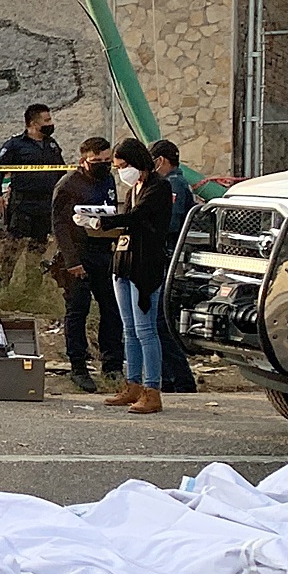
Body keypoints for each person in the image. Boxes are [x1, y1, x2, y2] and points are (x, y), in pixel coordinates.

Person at [93, 138, 174, 415]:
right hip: (124, 263)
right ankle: (134, 384)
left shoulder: (159, 188)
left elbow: (138, 218)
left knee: (146, 330)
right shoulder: (133, 189)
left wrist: (105, 221)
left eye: (124, 166)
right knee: (129, 330)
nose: (120, 172)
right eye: (117, 167)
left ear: (138, 161)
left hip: (145, 266)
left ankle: (153, 389)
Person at [50, 137, 125, 394]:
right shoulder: (68, 184)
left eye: (107, 161)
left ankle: (112, 365)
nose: (104, 166)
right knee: (78, 311)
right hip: (78, 256)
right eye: (98, 162)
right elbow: (59, 225)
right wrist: (72, 261)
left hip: (104, 253)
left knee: (111, 310)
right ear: (84, 160)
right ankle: (78, 366)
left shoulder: (107, 180)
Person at [0, 103, 64, 287]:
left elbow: (61, 171)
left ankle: (32, 289)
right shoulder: (15, 145)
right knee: (13, 247)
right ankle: (1, 286)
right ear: (33, 123)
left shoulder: (51, 145)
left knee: (37, 249)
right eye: (47, 120)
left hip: (45, 204)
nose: (50, 123)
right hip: (23, 204)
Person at [150, 139, 198, 393]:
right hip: (168, 258)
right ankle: (170, 379)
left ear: (160, 161)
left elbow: (169, 223)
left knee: (161, 323)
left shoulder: (173, 185)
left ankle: (181, 381)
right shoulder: (172, 184)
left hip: (168, 259)